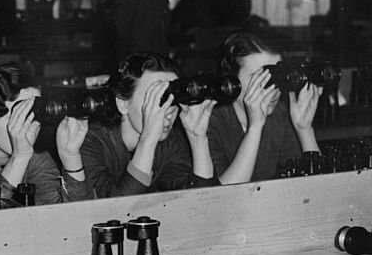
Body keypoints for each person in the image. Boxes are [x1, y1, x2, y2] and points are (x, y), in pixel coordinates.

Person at [0, 62, 93, 212]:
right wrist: (18, 159)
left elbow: (73, 221)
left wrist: (71, 158)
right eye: (20, 114)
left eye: (35, 112)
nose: (30, 124)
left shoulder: (36, 156)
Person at [80, 52, 218, 197]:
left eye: (173, 99)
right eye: (156, 98)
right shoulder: (90, 141)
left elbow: (204, 204)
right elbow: (114, 210)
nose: (168, 110)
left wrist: (198, 139)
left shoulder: (171, 143)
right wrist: (148, 141)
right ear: (123, 104)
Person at [208, 31, 322, 184]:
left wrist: (305, 130)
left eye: (276, 75)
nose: (271, 87)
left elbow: (317, 188)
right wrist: (255, 128)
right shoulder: (210, 122)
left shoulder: (280, 116)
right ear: (231, 81)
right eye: (260, 77)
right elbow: (222, 198)